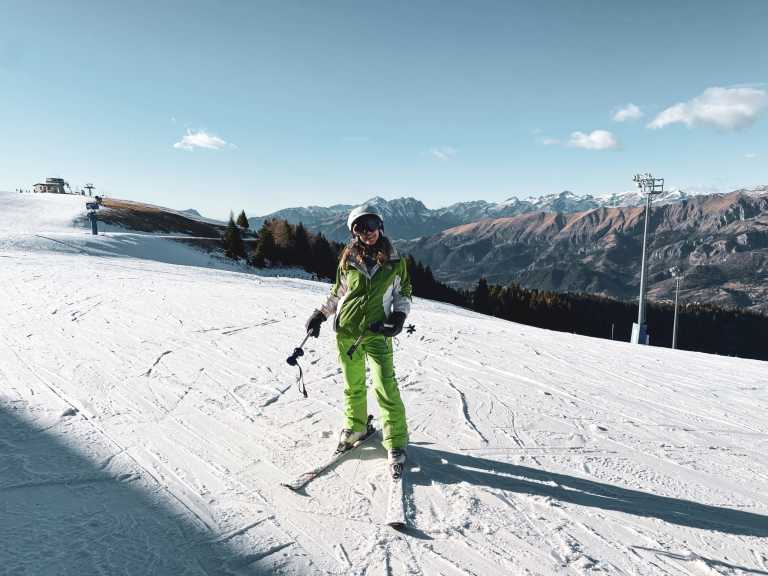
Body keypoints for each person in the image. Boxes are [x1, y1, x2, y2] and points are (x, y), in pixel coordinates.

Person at [305, 205, 412, 466]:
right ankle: (356, 427)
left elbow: (403, 294)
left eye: (372, 224)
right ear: (354, 232)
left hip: (377, 334)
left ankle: (395, 440)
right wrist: (320, 315)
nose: (368, 232)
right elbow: (337, 293)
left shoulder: (395, 262)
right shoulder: (348, 260)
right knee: (353, 386)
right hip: (347, 333)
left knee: (385, 386)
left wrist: (398, 319)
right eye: (360, 228)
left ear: (381, 225)